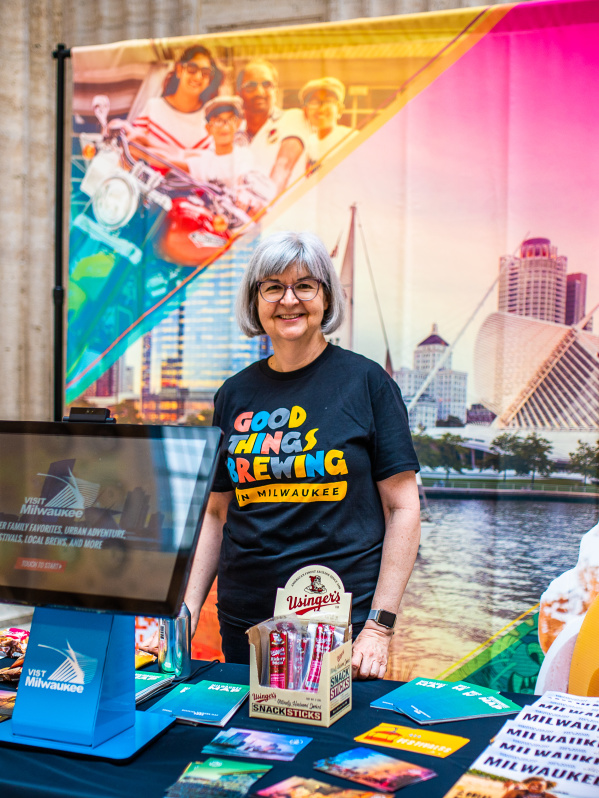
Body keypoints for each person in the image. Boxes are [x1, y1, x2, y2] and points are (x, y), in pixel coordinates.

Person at [183, 231, 421, 680]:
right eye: (272, 287)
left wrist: (379, 627)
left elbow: (403, 507)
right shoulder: (233, 394)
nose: (288, 300)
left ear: (325, 299)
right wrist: (188, 611)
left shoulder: (367, 383)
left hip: (335, 624)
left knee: (327, 748)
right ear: (256, 301)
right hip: (244, 618)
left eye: (305, 285)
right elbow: (216, 513)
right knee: (245, 742)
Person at [131, 45, 224, 163]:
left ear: (209, 80)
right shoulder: (154, 108)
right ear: (179, 70)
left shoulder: (211, 118)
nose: (198, 77)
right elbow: (132, 150)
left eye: (205, 72)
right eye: (192, 68)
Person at [183, 96, 275, 214]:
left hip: (239, 218)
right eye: (218, 121)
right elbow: (173, 162)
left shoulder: (243, 154)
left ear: (238, 124)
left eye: (230, 119)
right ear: (208, 128)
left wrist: (242, 192)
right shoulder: (204, 160)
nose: (224, 126)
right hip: (211, 218)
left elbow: (243, 175)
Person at [235, 59, 311, 195]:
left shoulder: (292, 118)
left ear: (276, 91)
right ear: (238, 94)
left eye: (267, 85)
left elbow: (284, 165)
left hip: (280, 212)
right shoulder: (233, 132)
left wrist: (263, 205)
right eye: (250, 86)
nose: (259, 92)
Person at [299, 77, 356, 173]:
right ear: (305, 111)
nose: (320, 109)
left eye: (328, 101)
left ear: (339, 109)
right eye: (314, 102)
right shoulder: (302, 143)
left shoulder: (352, 139)